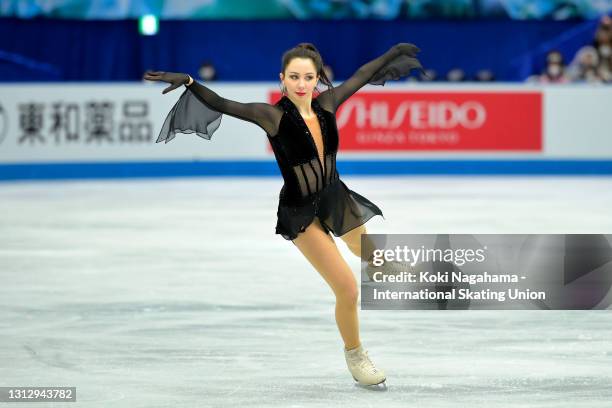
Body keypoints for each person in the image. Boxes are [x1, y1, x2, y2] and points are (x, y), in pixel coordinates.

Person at [143, 42, 423, 387]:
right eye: (294, 77)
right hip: (300, 211)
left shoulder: (328, 104)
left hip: (335, 196)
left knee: (363, 246)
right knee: (348, 290)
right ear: (283, 79)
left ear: (318, 78)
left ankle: (379, 265)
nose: (301, 84)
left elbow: (363, 75)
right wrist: (189, 81)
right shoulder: (271, 115)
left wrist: (392, 53)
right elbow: (224, 104)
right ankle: (355, 354)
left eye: (308, 77)